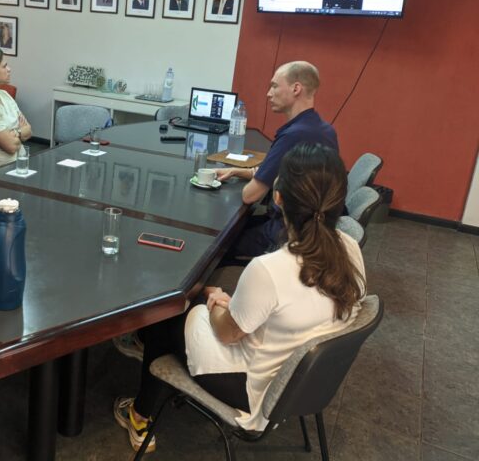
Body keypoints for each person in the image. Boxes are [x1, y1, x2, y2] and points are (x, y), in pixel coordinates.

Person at [114, 143, 366, 452]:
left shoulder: (270, 270)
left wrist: (219, 299)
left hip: (251, 387)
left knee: (167, 312)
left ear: (278, 197)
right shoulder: (351, 249)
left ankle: (140, 414)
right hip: (301, 383)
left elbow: (226, 332)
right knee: (196, 303)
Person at [215, 61, 338, 257]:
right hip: (313, 228)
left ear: (296, 88)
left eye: (274, 86)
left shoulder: (294, 135)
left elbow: (250, 196)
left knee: (215, 241)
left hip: (288, 234)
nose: (268, 93)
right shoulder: (320, 127)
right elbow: (288, 174)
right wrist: (242, 172)